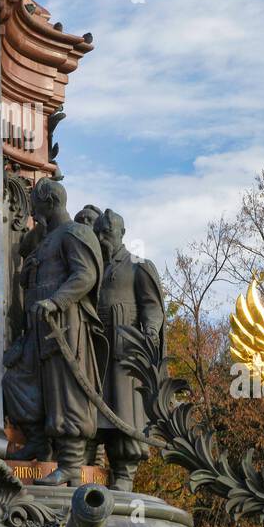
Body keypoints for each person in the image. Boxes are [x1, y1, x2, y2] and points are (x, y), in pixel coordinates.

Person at [3, 178, 107, 485]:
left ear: (49, 202)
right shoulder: (47, 238)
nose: (33, 214)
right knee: (17, 381)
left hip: (65, 325)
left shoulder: (75, 232)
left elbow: (85, 275)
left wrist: (56, 302)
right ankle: (39, 443)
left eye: (36, 206)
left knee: (66, 393)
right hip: (38, 327)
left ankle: (71, 464)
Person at [94, 209, 166, 490]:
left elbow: (152, 305)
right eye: (99, 232)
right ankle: (95, 466)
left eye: (107, 232)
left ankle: (124, 473)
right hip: (98, 347)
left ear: (121, 233)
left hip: (126, 350)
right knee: (97, 408)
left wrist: (149, 334)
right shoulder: (96, 266)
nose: (102, 238)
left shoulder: (138, 264)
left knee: (126, 409)